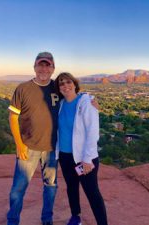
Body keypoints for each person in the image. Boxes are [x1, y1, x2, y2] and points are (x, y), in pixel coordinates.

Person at [7, 52, 59, 225]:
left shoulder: (58, 87)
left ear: (53, 68)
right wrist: (19, 144)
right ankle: (12, 221)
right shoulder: (23, 88)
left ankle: (47, 220)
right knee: (18, 189)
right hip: (28, 147)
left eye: (48, 65)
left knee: (50, 186)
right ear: (34, 67)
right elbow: (13, 117)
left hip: (51, 148)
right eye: (40, 64)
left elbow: (75, 97)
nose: (44, 68)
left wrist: (91, 101)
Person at [55, 72, 108, 225]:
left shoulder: (86, 102)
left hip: (83, 158)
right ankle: (75, 217)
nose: (65, 86)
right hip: (65, 156)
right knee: (71, 188)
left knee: (92, 192)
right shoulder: (60, 104)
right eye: (61, 83)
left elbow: (93, 132)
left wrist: (87, 159)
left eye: (68, 82)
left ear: (75, 83)